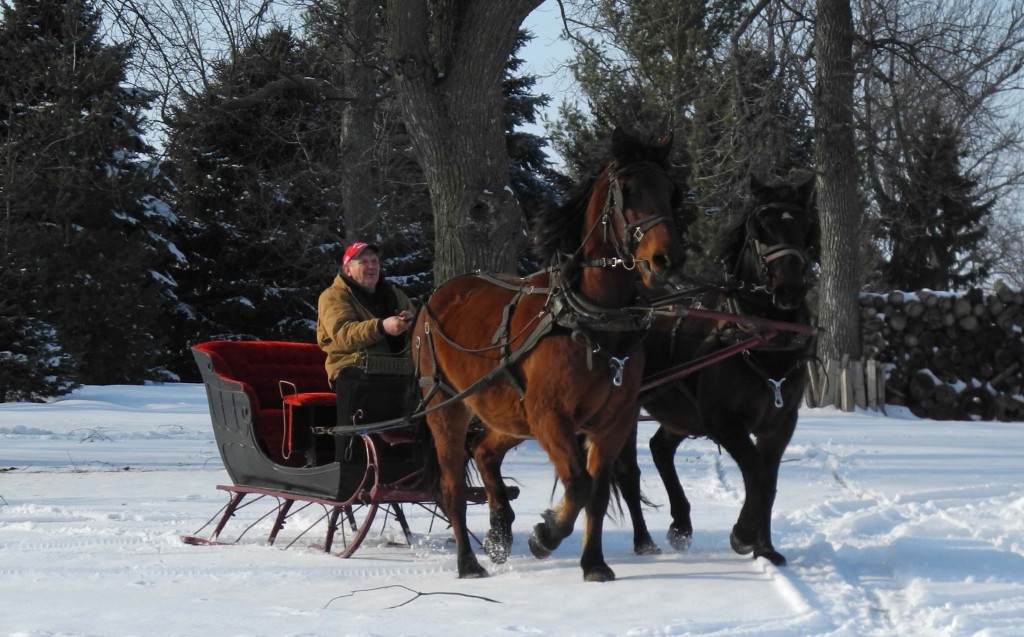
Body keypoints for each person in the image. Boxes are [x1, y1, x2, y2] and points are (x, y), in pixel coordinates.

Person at [316, 241, 415, 386]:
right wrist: (382, 327)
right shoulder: (333, 296)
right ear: (348, 269)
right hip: (354, 370)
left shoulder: (394, 295)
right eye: (363, 262)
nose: (372, 266)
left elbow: (421, 325)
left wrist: (411, 322)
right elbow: (343, 335)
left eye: (374, 261)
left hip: (399, 369)